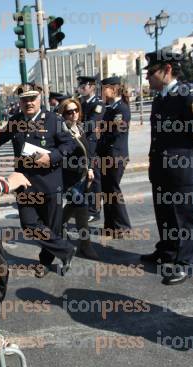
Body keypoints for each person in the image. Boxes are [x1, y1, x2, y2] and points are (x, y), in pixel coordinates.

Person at [0, 83, 77, 277]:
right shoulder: (16, 121)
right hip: (25, 183)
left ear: (40, 99)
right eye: (24, 99)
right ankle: (66, 249)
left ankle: (46, 262)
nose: (28, 103)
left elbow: (69, 144)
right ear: (20, 102)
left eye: (32, 98)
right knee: (29, 224)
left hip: (50, 182)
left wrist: (52, 157)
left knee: (51, 228)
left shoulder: (53, 119)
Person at [141, 50, 193, 285]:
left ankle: (184, 263)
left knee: (184, 217)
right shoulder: (160, 98)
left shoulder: (187, 95)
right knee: (164, 214)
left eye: (151, 72)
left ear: (168, 69)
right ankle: (167, 251)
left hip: (182, 167)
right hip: (161, 168)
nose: (148, 78)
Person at [58, 99, 98, 260]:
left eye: (76, 110)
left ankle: (57, 226)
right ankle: (85, 246)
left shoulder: (79, 128)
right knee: (81, 206)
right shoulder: (61, 131)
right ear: (62, 114)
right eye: (69, 111)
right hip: (68, 178)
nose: (73, 113)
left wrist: (89, 168)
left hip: (82, 176)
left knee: (74, 205)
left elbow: (87, 151)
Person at [98, 76, 132, 238]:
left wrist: (101, 137)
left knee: (113, 190)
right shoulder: (110, 107)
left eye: (104, 88)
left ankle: (123, 226)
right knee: (107, 191)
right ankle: (110, 225)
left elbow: (115, 132)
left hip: (115, 155)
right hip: (106, 154)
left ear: (113, 88)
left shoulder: (121, 109)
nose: (102, 92)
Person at [77, 76, 105, 223]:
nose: (81, 87)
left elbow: (92, 122)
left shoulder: (98, 103)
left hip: (92, 144)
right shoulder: (80, 102)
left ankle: (94, 210)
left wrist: (76, 128)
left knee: (94, 179)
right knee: (84, 177)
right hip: (81, 144)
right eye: (80, 84)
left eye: (84, 85)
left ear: (92, 86)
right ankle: (86, 207)